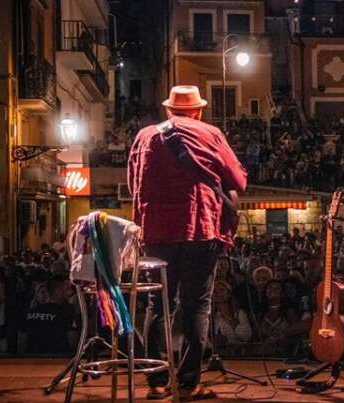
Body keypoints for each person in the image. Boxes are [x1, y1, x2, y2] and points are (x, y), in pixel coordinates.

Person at [128, 85, 247, 401]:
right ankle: (188, 381)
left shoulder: (144, 136)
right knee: (196, 304)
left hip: (155, 231)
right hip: (199, 226)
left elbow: (132, 184)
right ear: (198, 110)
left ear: (169, 110)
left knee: (157, 304)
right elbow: (239, 180)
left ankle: (155, 380)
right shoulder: (209, 133)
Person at [21, 275, 77, 354]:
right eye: (67, 289)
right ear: (58, 291)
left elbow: (22, 342)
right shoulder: (66, 313)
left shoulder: (30, 313)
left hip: (32, 360)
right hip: (58, 361)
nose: (71, 292)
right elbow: (73, 342)